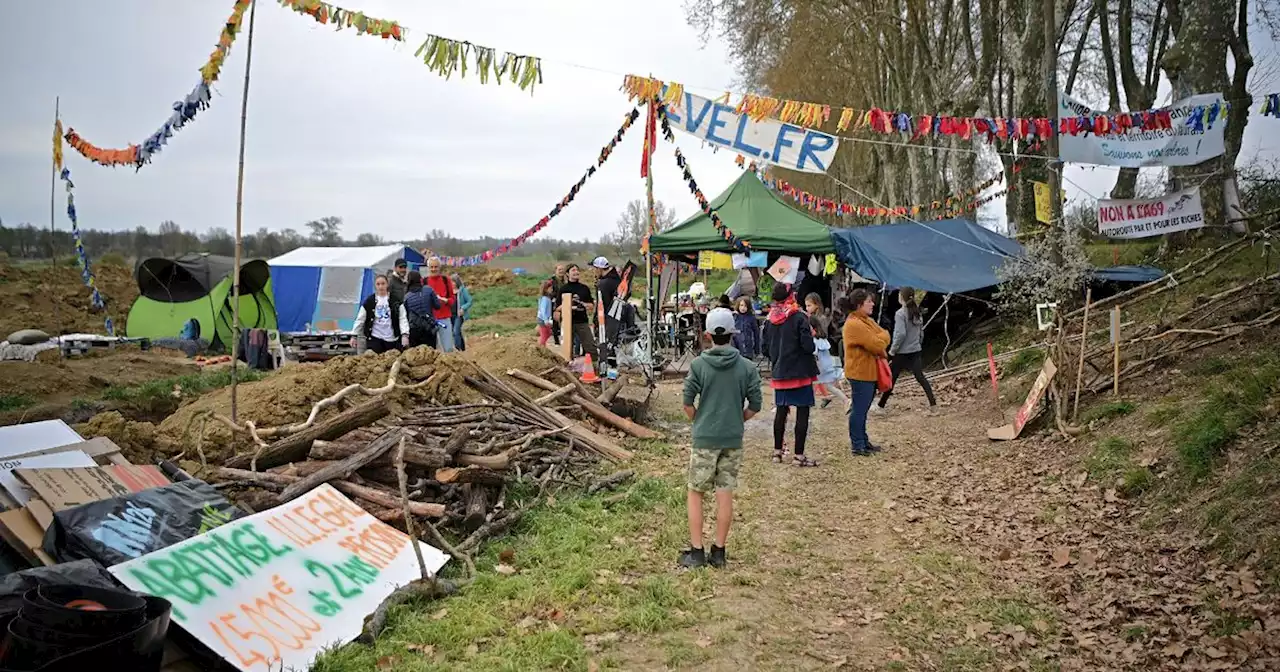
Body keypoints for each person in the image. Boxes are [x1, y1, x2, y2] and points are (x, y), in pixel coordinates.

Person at [679, 308, 763, 569]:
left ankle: (696, 552)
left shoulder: (698, 365)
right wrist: (738, 420)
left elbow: (686, 402)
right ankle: (719, 552)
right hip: (732, 439)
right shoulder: (747, 367)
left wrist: (699, 420)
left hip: (705, 437)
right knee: (724, 493)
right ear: (733, 333)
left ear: (707, 335)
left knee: (696, 492)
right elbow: (756, 404)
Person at [761, 284, 820, 467]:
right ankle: (798, 456)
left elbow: (764, 349)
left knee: (781, 411)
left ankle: (777, 453)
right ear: (791, 296)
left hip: (780, 372)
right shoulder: (799, 317)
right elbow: (808, 347)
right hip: (801, 372)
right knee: (802, 412)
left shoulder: (770, 319)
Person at [843, 288, 891, 456]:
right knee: (859, 409)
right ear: (859, 304)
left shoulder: (866, 320)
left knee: (862, 409)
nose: (872, 304)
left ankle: (863, 440)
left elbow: (884, 335)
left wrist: (881, 338)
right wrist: (881, 339)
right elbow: (878, 344)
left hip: (868, 372)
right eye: (869, 301)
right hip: (859, 373)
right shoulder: (855, 324)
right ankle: (857, 445)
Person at [877, 287, 938, 413]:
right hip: (915, 350)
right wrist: (917, 344)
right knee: (921, 377)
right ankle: (933, 405)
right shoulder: (917, 312)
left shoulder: (900, 313)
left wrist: (892, 351)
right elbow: (921, 333)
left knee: (892, 379)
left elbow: (900, 334)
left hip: (902, 352)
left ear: (902, 298)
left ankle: (881, 406)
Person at [351, 275, 409, 354]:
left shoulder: (396, 301)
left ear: (387, 284)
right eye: (378, 284)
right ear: (375, 286)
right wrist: (354, 335)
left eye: (383, 284)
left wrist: (405, 334)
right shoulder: (369, 301)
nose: (381, 286)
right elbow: (360, 319)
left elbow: (402, 318)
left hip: (392, 339)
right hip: (375, 338)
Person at [556, 264, 599, 366]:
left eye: (577, 270)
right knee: (567, 350)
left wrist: (583, 304)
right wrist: (568, 305)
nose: (576, 272)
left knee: (590, 346)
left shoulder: (584, 288)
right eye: (573, 270)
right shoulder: (563, 289)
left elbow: (591, 305)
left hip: (582, 321)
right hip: (567, 322)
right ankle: (566, 369)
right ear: (567, 274)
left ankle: (595, 367)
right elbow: (557, 308)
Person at [811, 314, 850, 410]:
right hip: (827, 366)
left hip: (819, 367)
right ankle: (845, 400)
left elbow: (814, 353)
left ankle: (806, 403)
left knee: (809, 384)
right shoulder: (823, 339)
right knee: (829, 386)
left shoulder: (814, 341)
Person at [424, 257, 457, 353]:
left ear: (439, 267)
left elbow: (452, 299)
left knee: (448, 348)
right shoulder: (424, 282)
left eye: (436, 267)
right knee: (432, 350)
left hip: (444, 318)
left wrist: (446, 301)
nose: (433, 269)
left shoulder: (446, 280)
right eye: (431, 267)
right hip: (430, 320)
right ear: (428, 268)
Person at [403, 271, 441, 349]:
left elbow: (405, 315)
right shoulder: (429, 290)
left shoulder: (407, 296)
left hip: (414, 329)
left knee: (416, 356)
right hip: (429, 327)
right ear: (420, 279)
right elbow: (438, 306)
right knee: (431, 354)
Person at [592, 256, 621, 344]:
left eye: (595, 269)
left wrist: (596, 320)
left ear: (599, 269)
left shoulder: (604, 284)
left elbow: (602, 304)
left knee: (604, 346)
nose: (594, 271)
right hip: (618, 318)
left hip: (606, 320)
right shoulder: (617, 280)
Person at [451, 273, 472, 352]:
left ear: (457, 282)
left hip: (459, 315)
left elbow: (469, 301)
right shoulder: (449, 291)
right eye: (451, 282)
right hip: (450, 315)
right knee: (457, 332)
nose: (452, 284)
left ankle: (457, 349)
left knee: (455, 332)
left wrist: (463, 308)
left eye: (453, 282)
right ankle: (463, 349)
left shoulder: (462, 291)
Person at [549, 263, 568, 346]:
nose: (561, 271)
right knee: (555, 322)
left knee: (565, 321)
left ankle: (567, 339)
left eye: (562, 269)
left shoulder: (566, 280)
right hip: (555, 303)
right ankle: (556, 340)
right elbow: (549, 292)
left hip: (565, 302)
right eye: (559, 269)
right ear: (555, 271)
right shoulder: (552, 281)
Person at [536, 279, 556, 347]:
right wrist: (546, 320)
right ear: (546, 289)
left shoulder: (546, 298)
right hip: (543, 319)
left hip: (544, 319)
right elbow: (543, 310)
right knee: (545, 335)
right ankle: (541, 347)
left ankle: (542, 345)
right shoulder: (545, 299)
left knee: (548, 333)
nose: (552, 290)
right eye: (550, 288)